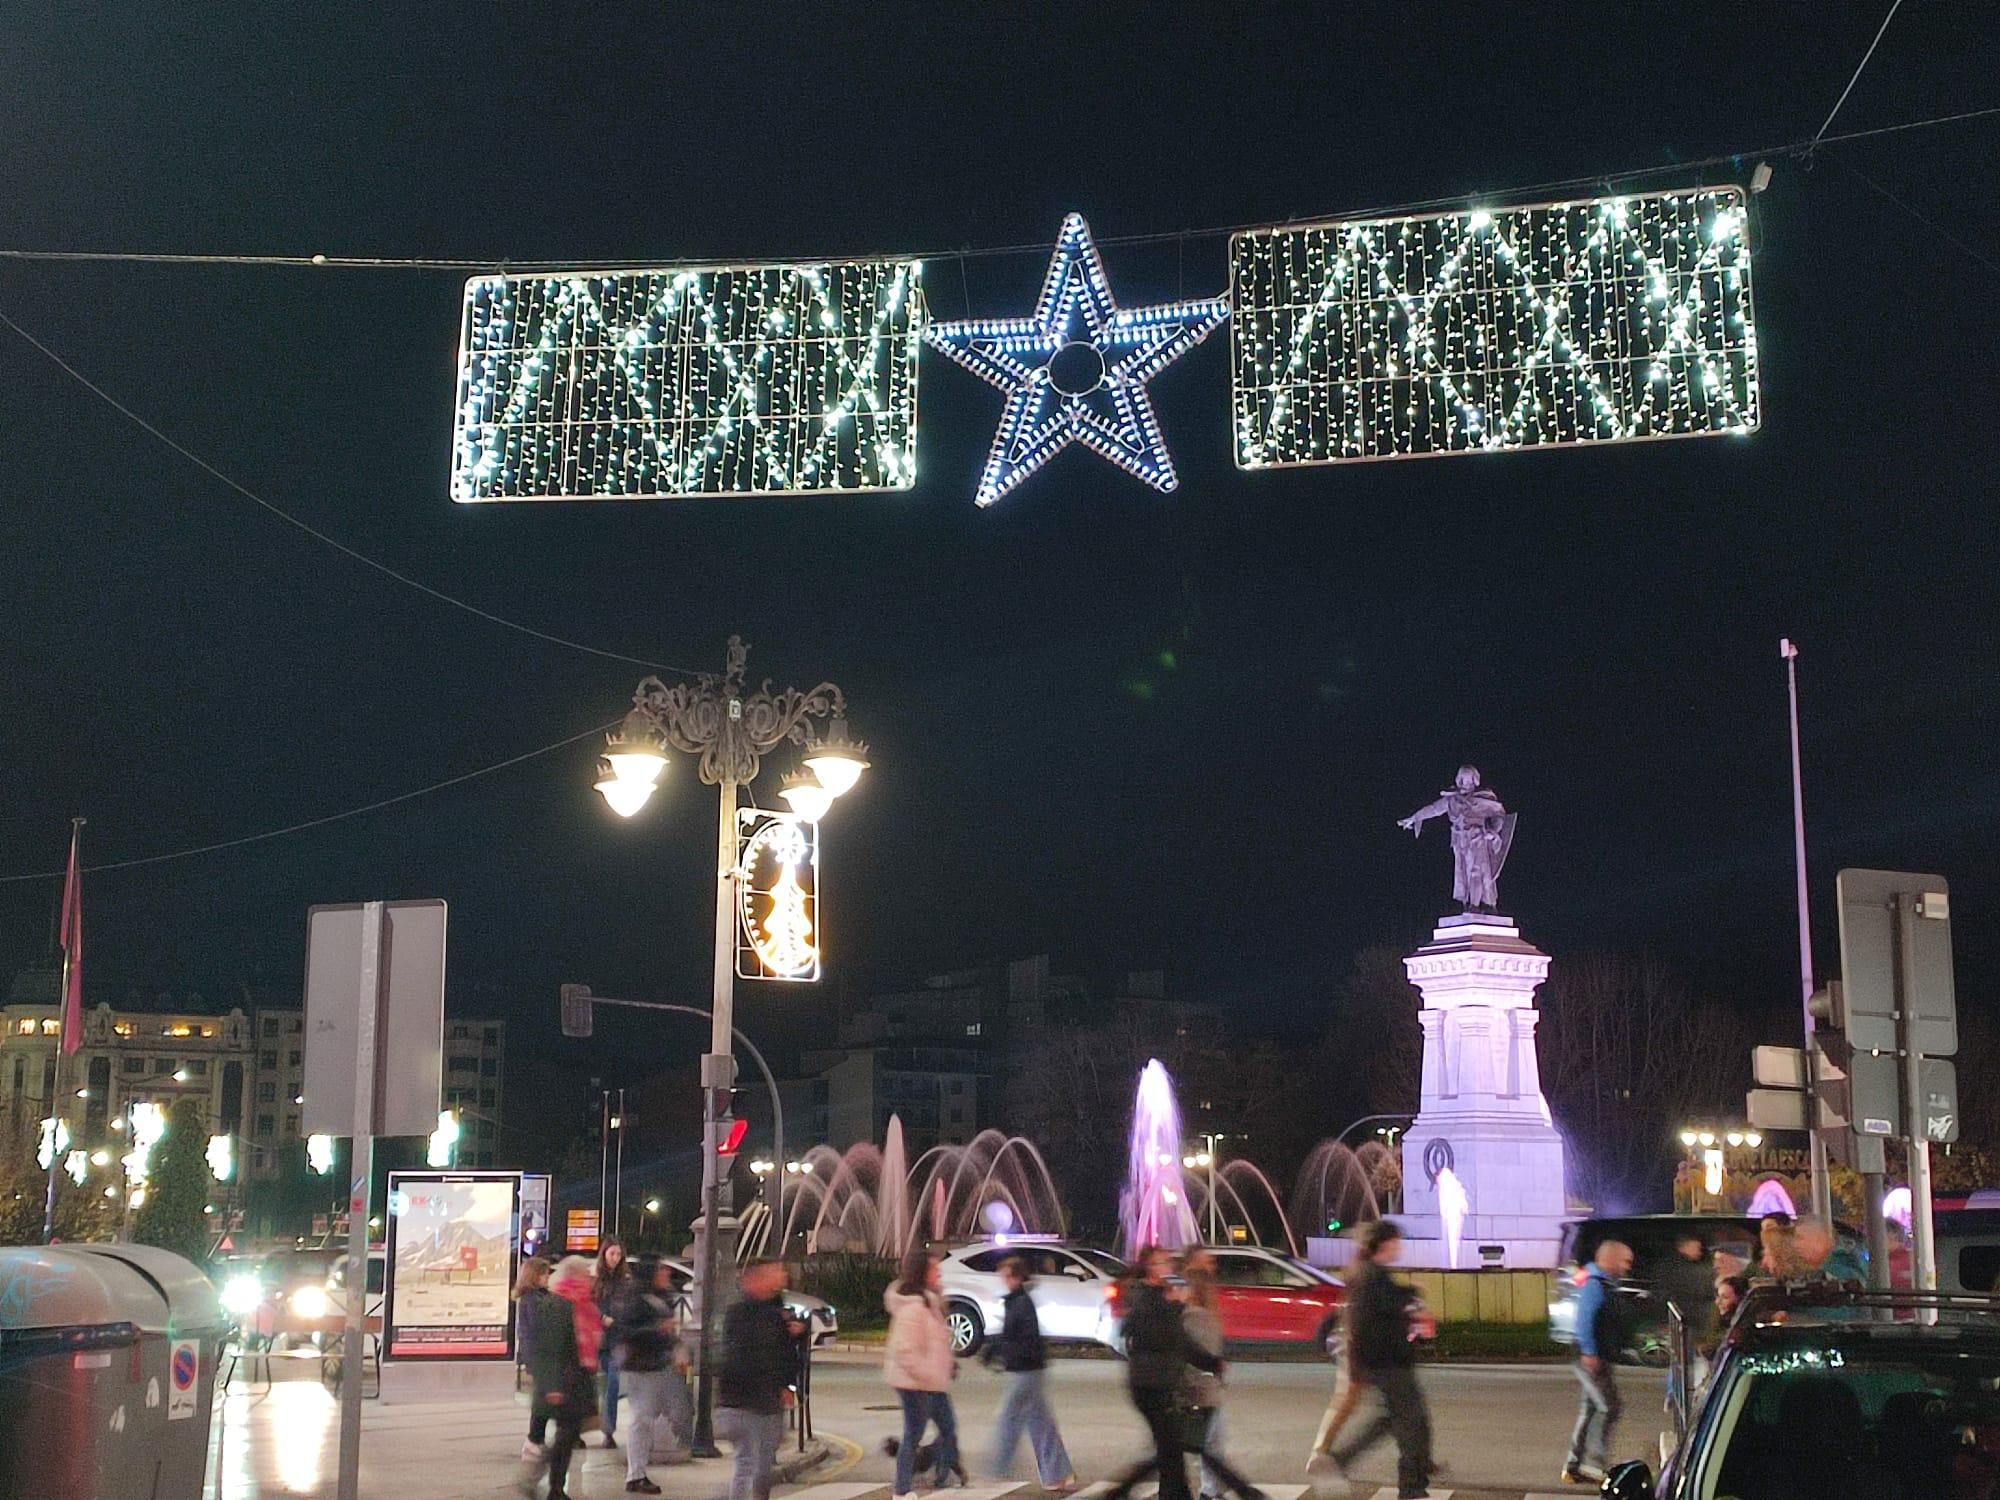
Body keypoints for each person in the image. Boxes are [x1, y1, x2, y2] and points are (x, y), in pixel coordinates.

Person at [1325, 1221, 1434, 1500]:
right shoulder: (1372, 1278)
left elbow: (1389, 1306)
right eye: (1397, 1242)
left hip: (1387, 1363)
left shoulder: (1374, 1276)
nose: (1400, 1247)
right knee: (1412, 1424)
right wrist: (1412, 1295)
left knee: (1392, 1421)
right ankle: (1412, 1489)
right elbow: (1375, 1316)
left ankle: (1340, 1460)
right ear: (1385, 1244)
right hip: (1389, 1365)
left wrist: (1408, 1300)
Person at [1105, 1245, 1223, 1500]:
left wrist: (1212, 1363)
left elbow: (1180, 1342)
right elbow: (1161, 1337)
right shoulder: (1144, 1297)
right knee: (1170, 1453)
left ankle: (1151, 1494)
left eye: (1169, 1262)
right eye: (1163, 1264)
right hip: (1149, 1386)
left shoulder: (1159, 1296)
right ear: (1151, 1269)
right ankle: (1120, 1493)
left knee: (1169, 1453)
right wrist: (1178, 1306)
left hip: (1161, 1383)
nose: (1169, 1268)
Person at [983, 1255, 1077, 1492]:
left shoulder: (1021, 1303)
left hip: (1026, 1371)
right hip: (1028, 1369)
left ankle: (996, 1470)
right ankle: (1059, 1474)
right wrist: (994, 1349)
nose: (1003, 1280)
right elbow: (1010, 1335)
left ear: (1016, 1277)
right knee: (1040, 1424)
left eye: (1006, 1275)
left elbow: (1021, 1339)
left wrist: (999, 1351)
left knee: (1009, 1418)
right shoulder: (1016, 1301)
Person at [717, 1258, 803, 1500]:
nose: (780, 1276)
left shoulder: (762, 1311)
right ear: (755, 1279)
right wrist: (783, 1385)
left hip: (744, 1401)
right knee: (755, 1465)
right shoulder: (762, 1316)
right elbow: (770, 1355)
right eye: (773, 1272)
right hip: (754, 1403)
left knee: (750, 1463)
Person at [885, 1248, 964, 1500]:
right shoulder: (914, 1307)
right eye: (934, 1268)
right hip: (916, 1383)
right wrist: (926, 1375)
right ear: (921, 1273)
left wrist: (947, 1364)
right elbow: (905, 1350)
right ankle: (901, 1490)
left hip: (931, 1381)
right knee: (913, 1435)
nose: (939, 1272)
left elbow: (935, 1341)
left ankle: (942, 1474)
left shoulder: (931, 1300)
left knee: (948, 1428)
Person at [610, 1256, 693, 1493]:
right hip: (641, 1367)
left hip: (659, 1365)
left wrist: (674, 1345)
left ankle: (640, 1470)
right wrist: (658, 1330)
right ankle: (636, 1474)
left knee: (670, 1413)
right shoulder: (635, 1298)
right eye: (662, 1269)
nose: (666, 1273)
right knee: (642, 1419)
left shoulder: (660, 1296)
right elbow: (626, 1332)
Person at [1181, 1262, 1263, 1500]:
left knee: (1205, 1446)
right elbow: (1209, 1356)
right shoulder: (1204, 1317)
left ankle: (1212, 1491)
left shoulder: (1191, 1317)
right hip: (1207, 1389)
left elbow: (1195, 1355)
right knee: (1210, 1445)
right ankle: (1213, 1491)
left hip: (1198, 1389)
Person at [521, 1257, 601, 1500]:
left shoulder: (583, 1303)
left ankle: (547, 1483)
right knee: (565, 1436)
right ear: (574, 1274)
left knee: (567, 1436)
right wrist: (552, 1385)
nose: (589, 1277)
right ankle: (551, 1486)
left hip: (578, 1379)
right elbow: (550, 1349)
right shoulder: (559, 1304)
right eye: (585, 1272)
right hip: (565, 1381)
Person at [1563, 1238, 1633, 1486]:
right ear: (1610, 1259)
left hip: (1597, 1356)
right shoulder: (1595, 1284)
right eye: (1625, 1261)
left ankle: (1573, 1464)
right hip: (1591, 1358)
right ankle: (1593, 1464)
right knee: (1609, 1407)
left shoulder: (1603, 1283)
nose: (1627, 1267)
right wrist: (1590, 1352)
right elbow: (1585, 1320)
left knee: (1591, 1408)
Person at [1658, 1233, 1712, 1431]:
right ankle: (1678, 1397)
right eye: (1694, 1244)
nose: (1699, 1248)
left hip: (1692, 1322)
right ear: (1684, 1246)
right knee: (1683, 1361)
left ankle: (1677, 1396)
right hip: (1688, 1322)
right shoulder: (1679, 1269)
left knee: (1684, 1362)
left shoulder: (1682, 1267)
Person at [595, 1239, 631, 1448]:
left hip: (616, 1338)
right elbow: (590, 1304)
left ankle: (608, 1430)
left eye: (618, 1254)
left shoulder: (624, 1281)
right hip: (598, 1338)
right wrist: (601, 1317)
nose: (615, 1258)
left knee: (613, 1384)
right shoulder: (597, 1279)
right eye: (612, 1254)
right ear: (604, 1254)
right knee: (595, 1386)